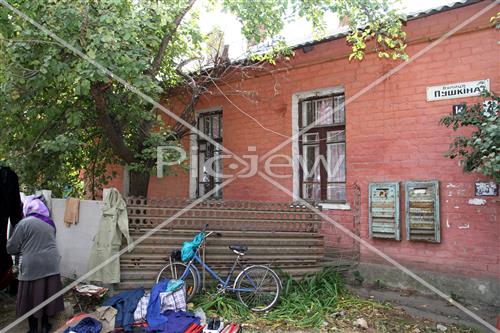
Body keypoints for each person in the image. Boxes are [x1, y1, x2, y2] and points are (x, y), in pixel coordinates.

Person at [6, 195, 64, 333]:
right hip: (51, 265)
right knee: (45, 294)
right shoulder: (50, 224)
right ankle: (45, 326)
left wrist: (23, 249)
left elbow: (11, 248)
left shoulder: (24, 223)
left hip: (32, 266)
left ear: (28, 208)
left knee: (31, 297)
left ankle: (33, 329)